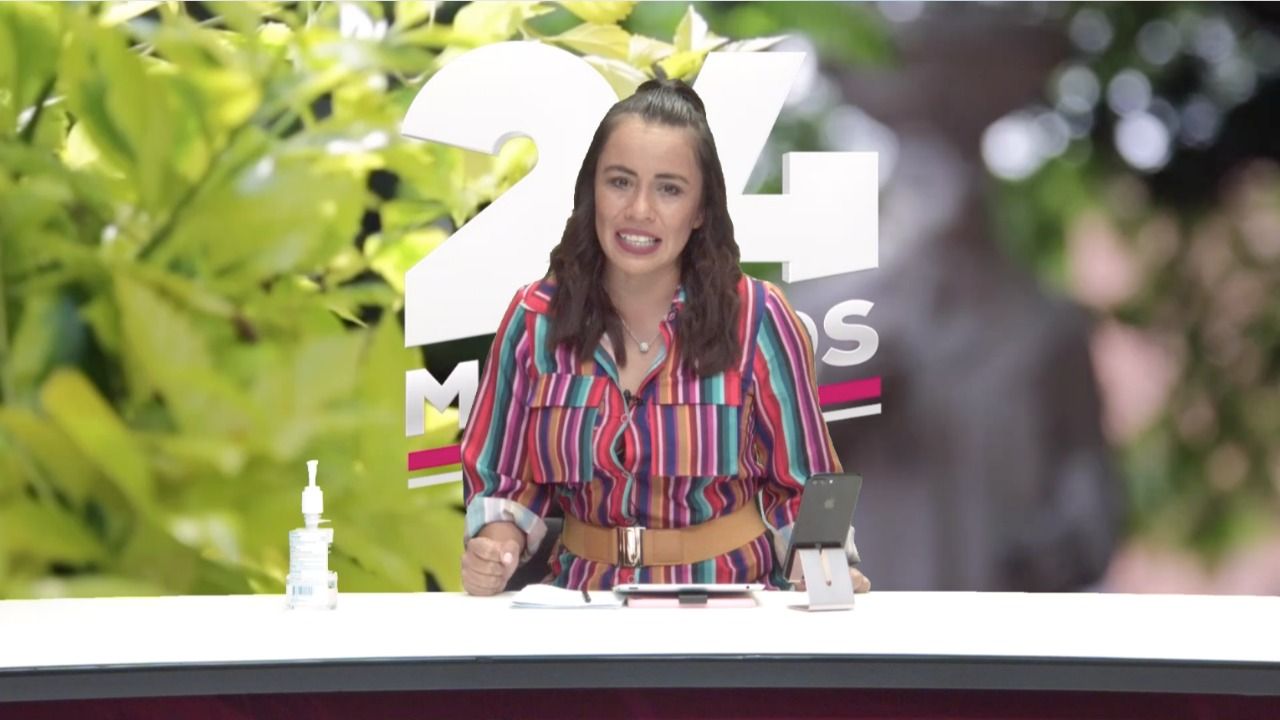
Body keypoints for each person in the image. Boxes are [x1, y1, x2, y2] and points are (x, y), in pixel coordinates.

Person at [459, 79, 870, 595]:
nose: (639, 210)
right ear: (591, 191)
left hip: (731, 609)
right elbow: (503, 481)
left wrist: (826, 571)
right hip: (581, 608)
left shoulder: (758, 317)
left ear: (700, 210)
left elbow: (807, 488)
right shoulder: (534, 319)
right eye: (620, 182)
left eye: (669, 189)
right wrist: (495, 548)